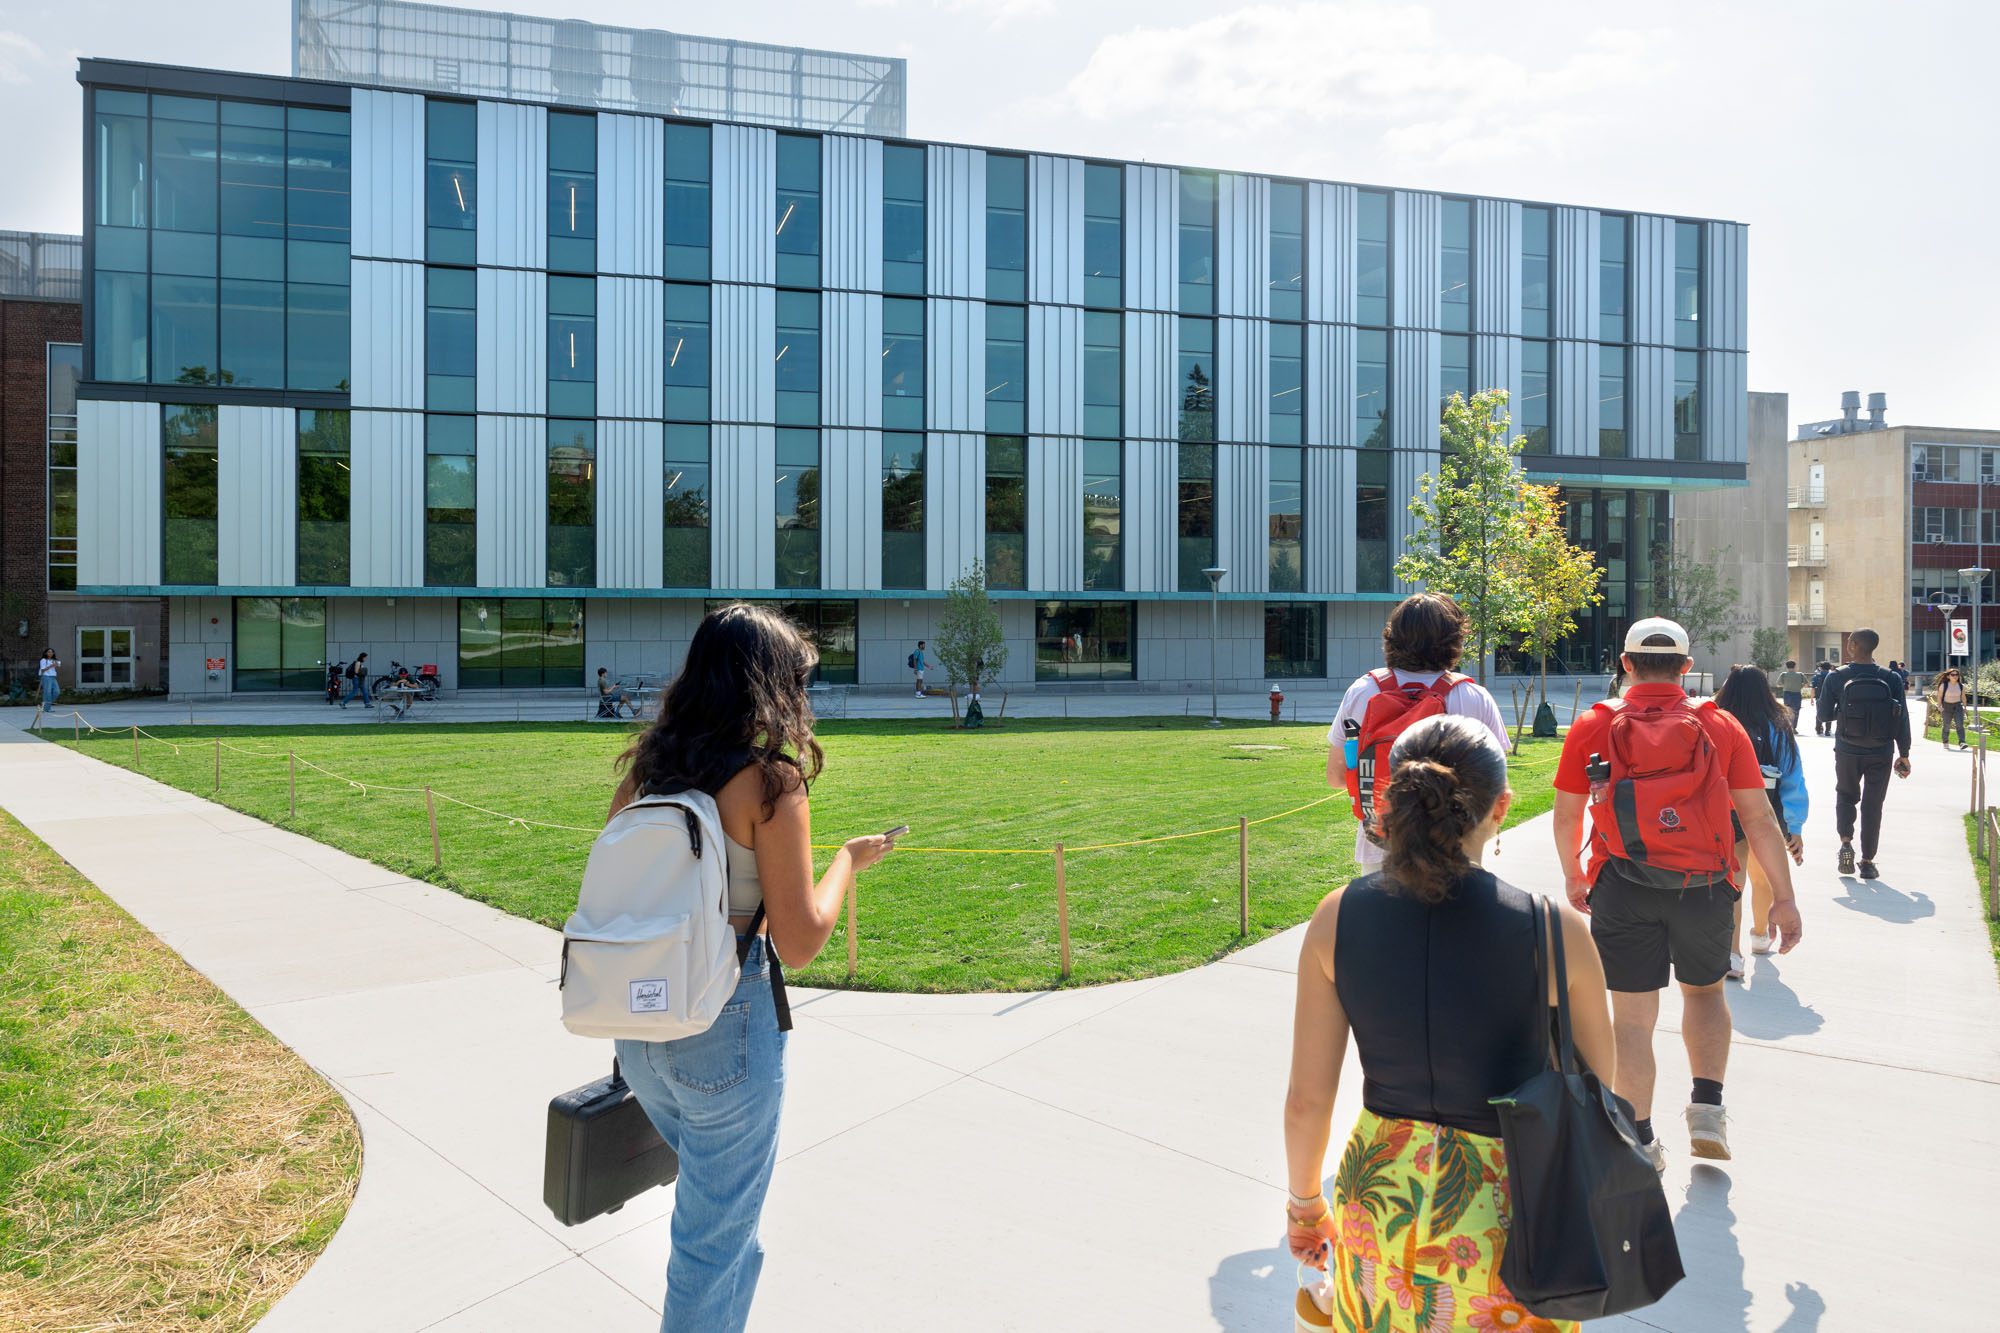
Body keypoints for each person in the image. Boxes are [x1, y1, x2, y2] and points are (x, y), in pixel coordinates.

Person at [608, 604, 896, 1332]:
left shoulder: (645, 772)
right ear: (770, 686)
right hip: (726, 1024)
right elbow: (800, 939)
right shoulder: (770, 782)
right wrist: (846, 862)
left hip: (639, 1025)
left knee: (727, 1227)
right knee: (712, 1241)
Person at [1285, 715, 1616, 1333]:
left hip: (1377, 1194)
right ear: (1502, 808)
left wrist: (1306, 1208)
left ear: (1394, 799)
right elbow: (1598, 1099)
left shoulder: (1336, 918)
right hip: (1507, 1212)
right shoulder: (1555, 931)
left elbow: (1307, 1100)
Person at [1553, 618, 1802, 1172]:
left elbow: (1568, 813)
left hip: (1622, 883)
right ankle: (1707, 1108)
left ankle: (1640, 1138)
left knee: (1633, 1022)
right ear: (1686, 668)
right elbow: (1757, 818)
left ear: (1626, 663)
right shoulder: (1720, 725)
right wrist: (1782, 899)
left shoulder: (1594, 725)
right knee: (1706, 995)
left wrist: (1573, 873)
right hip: (1706, 886)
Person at [1325, 593, 1508, 872]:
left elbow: (1337, 776)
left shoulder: (1363, 691)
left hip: (1381, 845)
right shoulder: (1473, 696)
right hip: (1456, 849)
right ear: (1455, 640)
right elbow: (1496, 785)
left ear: (1392, 637)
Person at [1714, 665, 1808, 978]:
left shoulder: (1717, 720)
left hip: (1727, 809)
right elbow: (1793, 776)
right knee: (1764, 876)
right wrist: (1794, 826)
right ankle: (1759, 935)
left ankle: (1731, 953)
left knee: (1734, 881)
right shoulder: (1778, 723)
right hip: (1769, 809)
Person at [1816, 628, 1913, 879]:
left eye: (1849, 641)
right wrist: (1904, 753)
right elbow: (1902, 717)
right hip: (1881, 750)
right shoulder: (1890, 677)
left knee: (1846, 795)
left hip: (1848, 749)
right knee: (1873, 804)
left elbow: (1824, 715)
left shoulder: (1837, 676)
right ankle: (1868, 861)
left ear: (1854, 645)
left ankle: (1846, 842)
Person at [1936, 667, 1969, 749]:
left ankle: (1962, 742)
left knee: (1959, 724)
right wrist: (1939, 706)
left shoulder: (1961, 686)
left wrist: (1965, 707)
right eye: (1952, 675)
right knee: (1946, 725)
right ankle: (1945, 741)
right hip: (1946, 706)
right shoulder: (1944, 685)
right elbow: (1939, 697)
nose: (1955, 676)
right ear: (1948, 676)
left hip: (1958, 706)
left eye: (1957, 675)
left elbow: (1963, 697)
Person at [1774, 659, 1808, 734]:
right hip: (1796, 694)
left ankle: (1788, 728)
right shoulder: (1800, 674)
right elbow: (1806, 685)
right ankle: (1794, 728)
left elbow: (1778, 684)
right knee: (1796, 711)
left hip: (1787, 694)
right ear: (1795, 666)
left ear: (1786, 667)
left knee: (1787, 711)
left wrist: (1785, 685)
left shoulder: (1783, 674)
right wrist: (1800, 686)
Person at [1809, 661, 1834, 736]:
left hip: (1819, 697)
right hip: (1830, 698)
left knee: (1819, 712)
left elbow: (1813, 688)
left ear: (1821, 667)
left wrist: (1811, 698)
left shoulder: (1817, 676)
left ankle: (1818, 729)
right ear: (1830, 667)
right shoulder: (1832, 675)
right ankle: (1828, 730)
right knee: (1830, 713)